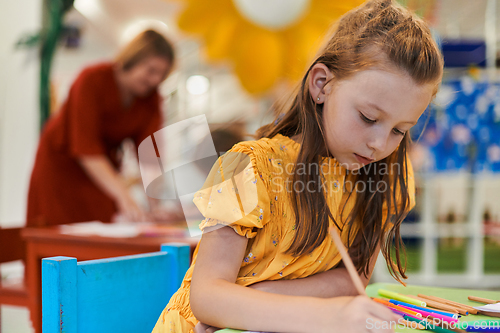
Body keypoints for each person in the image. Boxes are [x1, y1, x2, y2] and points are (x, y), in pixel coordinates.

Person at [152, 0, 443, 332]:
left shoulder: (384, 175)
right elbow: (207, 298)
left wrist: (253, 300)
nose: (379, 144)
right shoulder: (249, 168)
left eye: (399, 131)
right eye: (368, 117)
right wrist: (326, 315)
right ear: (321, 85)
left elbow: (352, 279)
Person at [27, 30, 174, 226]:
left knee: (101, 232)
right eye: (151, 70)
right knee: (59, 236)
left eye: (162, 74)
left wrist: (157, 205)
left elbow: (149, 157)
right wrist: (124, 196)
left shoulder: (151, 99)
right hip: (61, 170)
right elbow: (85, 147)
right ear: (132, 59)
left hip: (103, 174)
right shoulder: (92, 79)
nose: (155, 80)